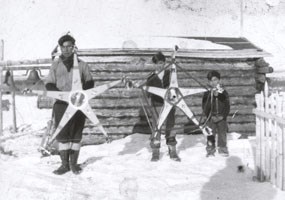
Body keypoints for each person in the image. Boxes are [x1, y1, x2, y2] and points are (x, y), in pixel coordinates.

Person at [45, 34, 94, 175]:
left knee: (76, 133)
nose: (66, 49)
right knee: (62, 134)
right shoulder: (55, 65)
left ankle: (74, 164)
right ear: (60, 48)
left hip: (78, 104)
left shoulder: (83, 65)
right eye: (63, 47)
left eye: (69, 46)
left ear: (74, 47)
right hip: (61, 104)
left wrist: (81, 94)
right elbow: (49, 83)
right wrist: (61, 96)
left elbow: (90, 82)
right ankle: (64, 165)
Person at [147, 52, 180, 162]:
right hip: (156, 105)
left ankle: (172, 149)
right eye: (157, 63)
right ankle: (156, 151)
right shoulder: (151, 78)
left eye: (161, 63)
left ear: (164, 63)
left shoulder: (170, 75)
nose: (159, 65)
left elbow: (175, 88)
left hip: (169, 104)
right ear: (154, 64)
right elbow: (148, 94)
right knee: (156, 128)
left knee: (170, 126)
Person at [202, 70, 230, 157]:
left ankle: (222, 148)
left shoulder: (224, 92)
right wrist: (209, 116)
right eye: (211, 80)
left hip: (221, 117)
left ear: (219, 80)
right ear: (208, 82)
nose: (213, 82)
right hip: (212, 117)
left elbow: (227, 106)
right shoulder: (207, 93)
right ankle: (210, 149)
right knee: (210, 133)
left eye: (215, 80)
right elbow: (204, 106)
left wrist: (223, 116)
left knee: (222, 133)